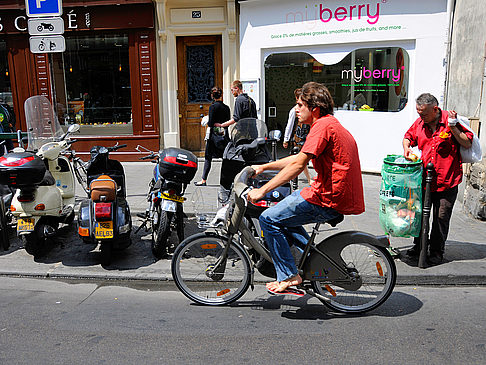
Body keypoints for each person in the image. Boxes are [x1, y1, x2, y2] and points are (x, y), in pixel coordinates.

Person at [247, 81, 365, 293]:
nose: (296, 109)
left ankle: (290, 275)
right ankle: (308, 259)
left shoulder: (321, 127)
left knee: (268, 219)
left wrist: (262, 190)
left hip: (329, 197)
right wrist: (263, 167)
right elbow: (296, 159)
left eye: (300, 105)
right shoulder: (328, 124)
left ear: (314, 109)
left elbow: (299, 165)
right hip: (327, 191)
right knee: (283, 215)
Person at [403, 93, 473, 265]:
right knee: (420, 216)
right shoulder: (419, 123)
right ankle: (419, 246)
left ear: (435, 109)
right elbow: (408, 136)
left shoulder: (451, 120)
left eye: (424, 113)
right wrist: (406, 148)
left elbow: (467, 143)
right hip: (425, 180)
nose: (420, 116)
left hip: (447, 180)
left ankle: (436, 251)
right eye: (418, 112)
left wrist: (453, 126)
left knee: (441, 218)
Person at [214, 80, 258, 204]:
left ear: (237, 89)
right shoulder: (250, 100)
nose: (232, 92)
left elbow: (236, 118)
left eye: (232, 90)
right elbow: (254, 118)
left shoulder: (239, 100)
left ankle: (233, 184)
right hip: (252, 133)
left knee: (233, 156)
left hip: (243, 134)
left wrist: (222, 125)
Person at [194, 87, 230, 186]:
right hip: (224, 135)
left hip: (213, 137)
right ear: (221, 95)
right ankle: (226, 181)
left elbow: (210, 123)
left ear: (212, 96)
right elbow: (228, 121)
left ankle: (203, 180)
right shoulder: (226, 108)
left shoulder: (213, 107)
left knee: (208, 158)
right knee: (225, 159)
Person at [282, 88, 312, 185]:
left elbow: (289, 125)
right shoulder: (304, 109)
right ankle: (302, 179)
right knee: (301, 158)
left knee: (299, 158)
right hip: (304, 136)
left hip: (298, 137)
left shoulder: (294, 110)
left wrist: (286, 139)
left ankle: (295, 179)